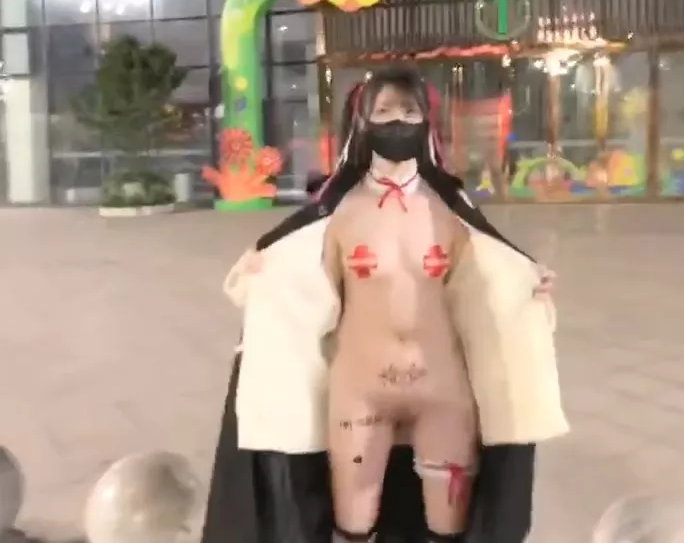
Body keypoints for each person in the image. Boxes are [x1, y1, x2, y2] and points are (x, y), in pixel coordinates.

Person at [202, 67, 567, 543]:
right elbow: (295, 279)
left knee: (448, 527)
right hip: (360, 392)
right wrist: (265, 274)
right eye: (385, 111)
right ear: (363, 121)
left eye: (409, 111)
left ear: (426, 121)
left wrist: (526, 284)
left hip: (442, 391)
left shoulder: (451, 208)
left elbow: (491, 275)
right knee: (353, 523)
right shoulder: (334, 211)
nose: (398, 121)